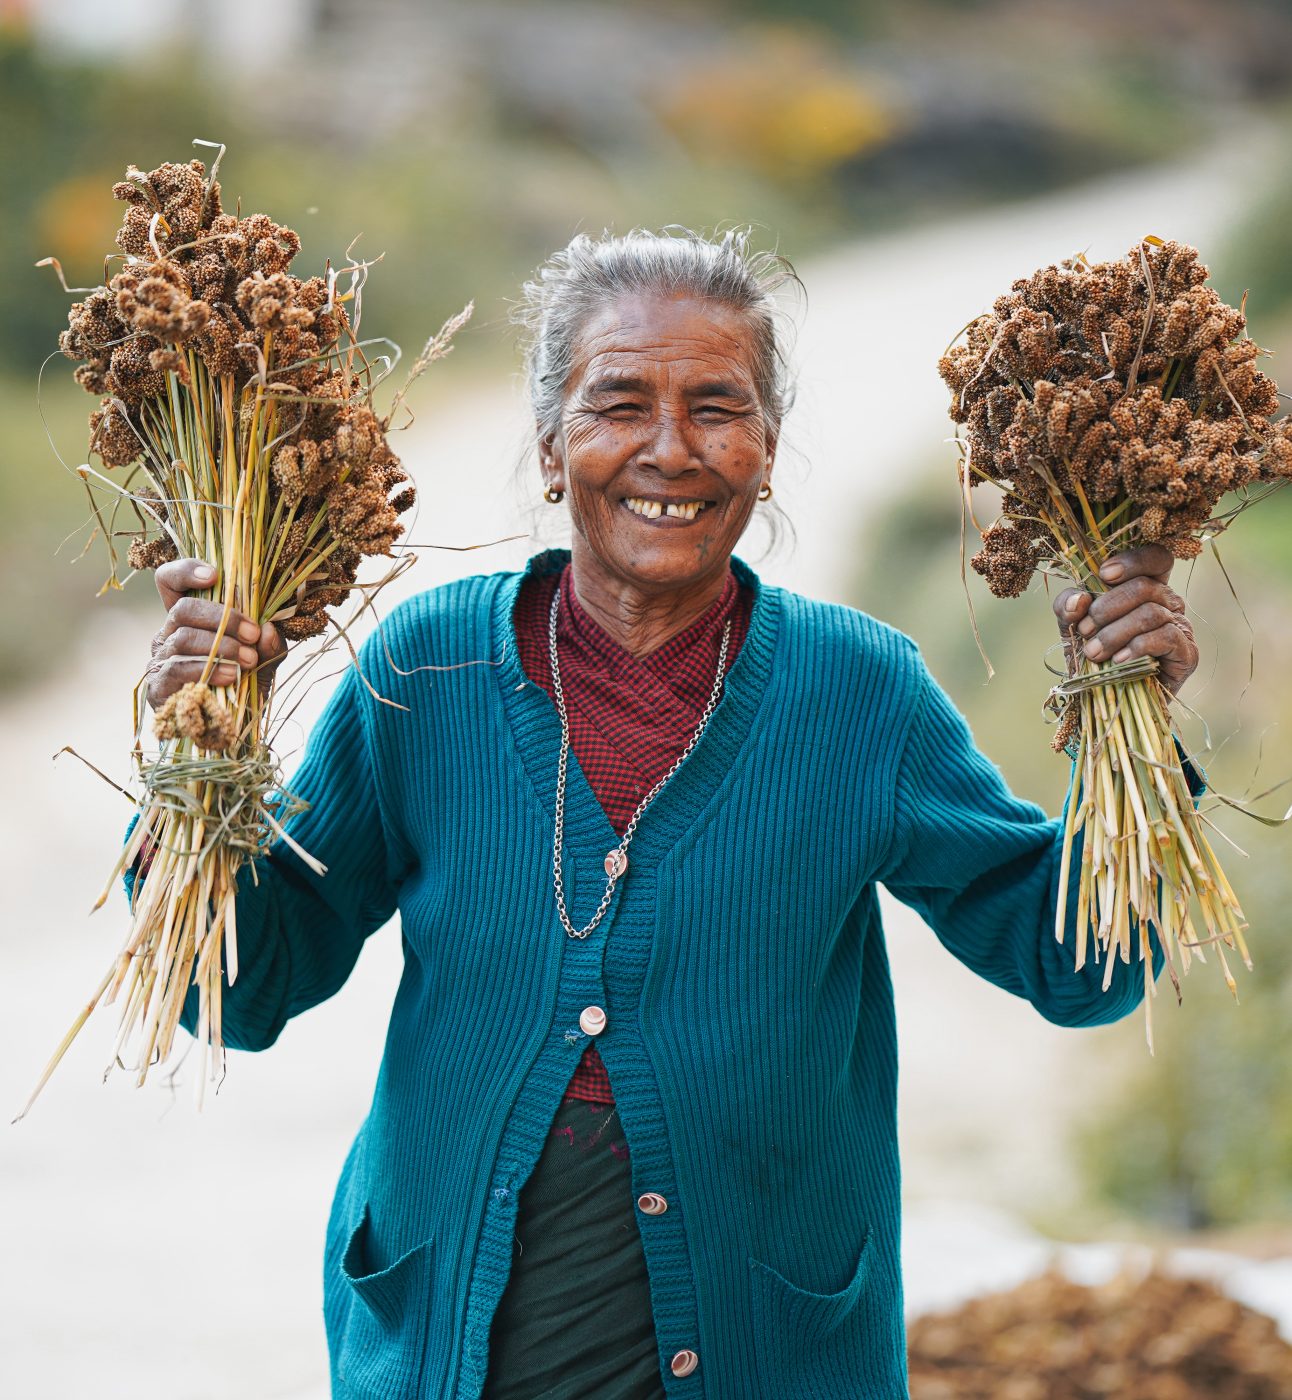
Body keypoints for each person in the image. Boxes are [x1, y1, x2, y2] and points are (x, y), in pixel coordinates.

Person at [140, 229, 1202, 1399]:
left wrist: (1129, 717)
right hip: (459, 1331)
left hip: (763, 1337)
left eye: (716, 406)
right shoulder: (423, 672)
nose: (670, 448)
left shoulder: (858, 693)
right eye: (618, 403)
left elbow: (1079, 963)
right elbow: (239, 990)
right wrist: (203, 751)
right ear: (550, 445)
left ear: (767, 448)